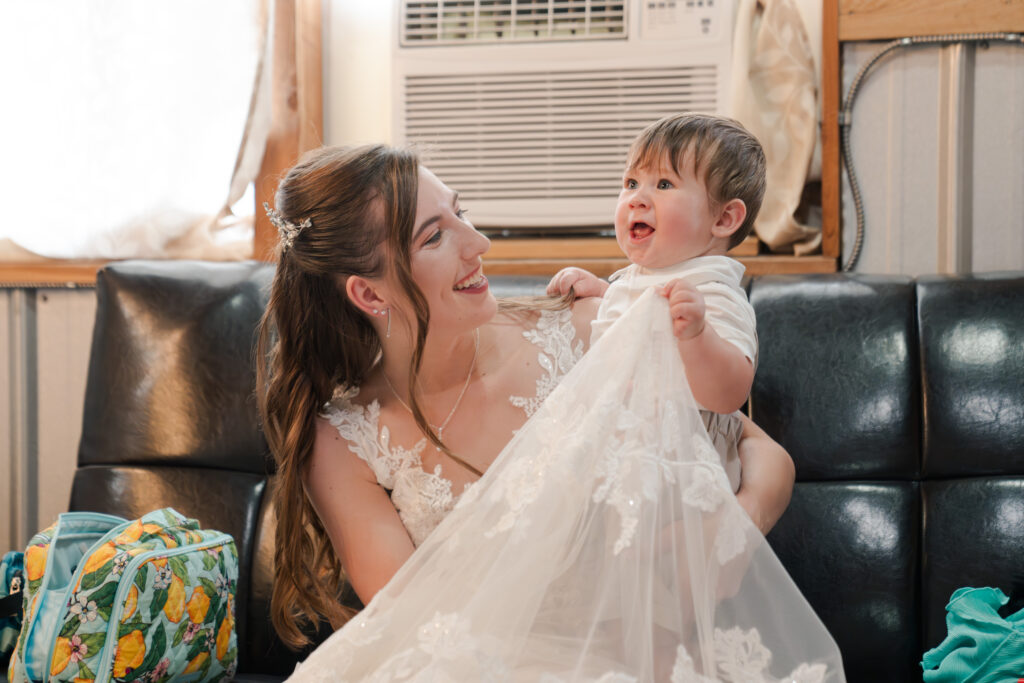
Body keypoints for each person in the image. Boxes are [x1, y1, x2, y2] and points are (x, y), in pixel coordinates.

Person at [256, 144, 843, 681]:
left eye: (461, 213)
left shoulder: (588, 327)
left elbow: (753, 445)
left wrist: (740, 523)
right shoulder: (343, 439)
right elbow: (416, 629)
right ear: (369, 294)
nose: (478, 243)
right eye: (435, 236)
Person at [547, 113, 765, 493]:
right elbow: (631, 321)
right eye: (631, 182)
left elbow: (729, 395)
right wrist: (600, 292)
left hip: (677, 468)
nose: (636, 198)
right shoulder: (633, 279)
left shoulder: (711, 291)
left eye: (664, 184)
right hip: (613, 450)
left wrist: (698, 336)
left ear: (724, 218)